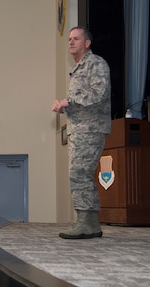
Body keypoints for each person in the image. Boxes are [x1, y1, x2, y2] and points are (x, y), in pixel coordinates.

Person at [52, 26, 111, 239]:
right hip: (80, 129)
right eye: (69, 39)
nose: (70, 42)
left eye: (76, 38)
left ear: (87, 43)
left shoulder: (95, 64)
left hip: (91, 128)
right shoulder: (77, 69)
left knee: (79, 173)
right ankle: (90, 222)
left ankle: (86, 221)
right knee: (80, 173)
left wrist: (71, 101)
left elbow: (99, 94)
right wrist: (63, 105)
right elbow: (82, 100)